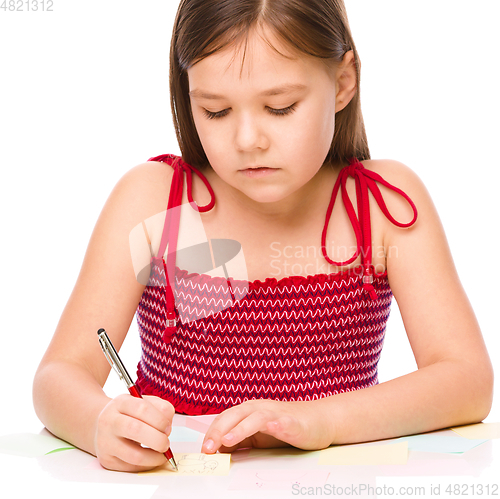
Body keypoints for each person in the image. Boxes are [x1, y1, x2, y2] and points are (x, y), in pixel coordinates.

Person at [32, 0, 493, 473]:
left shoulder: (382, 206)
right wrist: (99, 423)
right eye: (215, 111)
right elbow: (59, 375)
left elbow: (467, 381)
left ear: (342, 83)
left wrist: (323, 420)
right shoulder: (157, 200)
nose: (248, 139)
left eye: (280, 107)